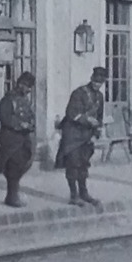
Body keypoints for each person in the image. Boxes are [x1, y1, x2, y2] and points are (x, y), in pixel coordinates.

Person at [57, 67, 108, 207]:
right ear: (91, 78)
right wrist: (87, 120)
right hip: (72, 134)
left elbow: (99, 116)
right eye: (96, 81)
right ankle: (74, 195)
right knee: (73, 164)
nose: (97, 84)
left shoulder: (100, 97)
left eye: (100, 82)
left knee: (84, 164)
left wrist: (96, 132)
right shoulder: (79, 93)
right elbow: (71, 114)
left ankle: (84, 193)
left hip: (86, 136)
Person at [0, 71, 39, 207]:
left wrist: (30, 124)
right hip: (11, 139)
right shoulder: (8, 99)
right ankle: (12, 197)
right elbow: (5, 117)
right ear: (20, 84)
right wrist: (21, 124)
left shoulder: (25, 100)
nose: (29, 90)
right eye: (27, 87)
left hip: (23, 139)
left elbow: (31, 116)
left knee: (21, 166)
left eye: (30, 87)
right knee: (13, 168)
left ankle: (13, 195)